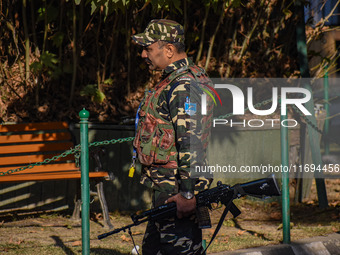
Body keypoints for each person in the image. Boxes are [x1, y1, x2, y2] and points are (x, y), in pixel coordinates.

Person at [131, 19, 214, 255]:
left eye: (148, 48)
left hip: (176, 191)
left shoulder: (183, 85)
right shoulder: (182, 78)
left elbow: (190, 141)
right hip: (168, 188)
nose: (143, 54)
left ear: (168, 50)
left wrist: (187, 193)